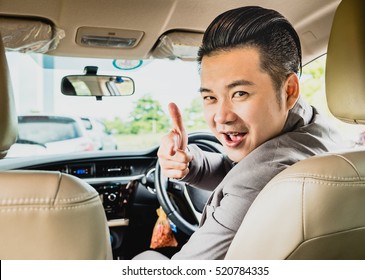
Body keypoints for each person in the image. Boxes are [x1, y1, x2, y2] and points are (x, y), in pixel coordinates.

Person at [134, 5, 340, 260]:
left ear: (288, 90)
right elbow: (242, 168)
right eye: (210, 97)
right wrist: (191, 164)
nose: (221, 116)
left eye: (239, 93)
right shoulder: (321, 129)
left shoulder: (260, 178)